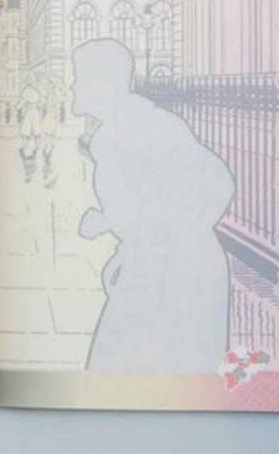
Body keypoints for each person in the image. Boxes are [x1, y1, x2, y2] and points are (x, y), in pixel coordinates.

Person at [71, 39, 235, 373]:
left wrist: (159, 244)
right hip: (158, 272)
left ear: (102, 82)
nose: (72, 85)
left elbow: (218, 185)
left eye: (78, 76)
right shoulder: (112, 134)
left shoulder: (143, 125)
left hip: (183, 279)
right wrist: (115, 231)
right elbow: (146, 208)